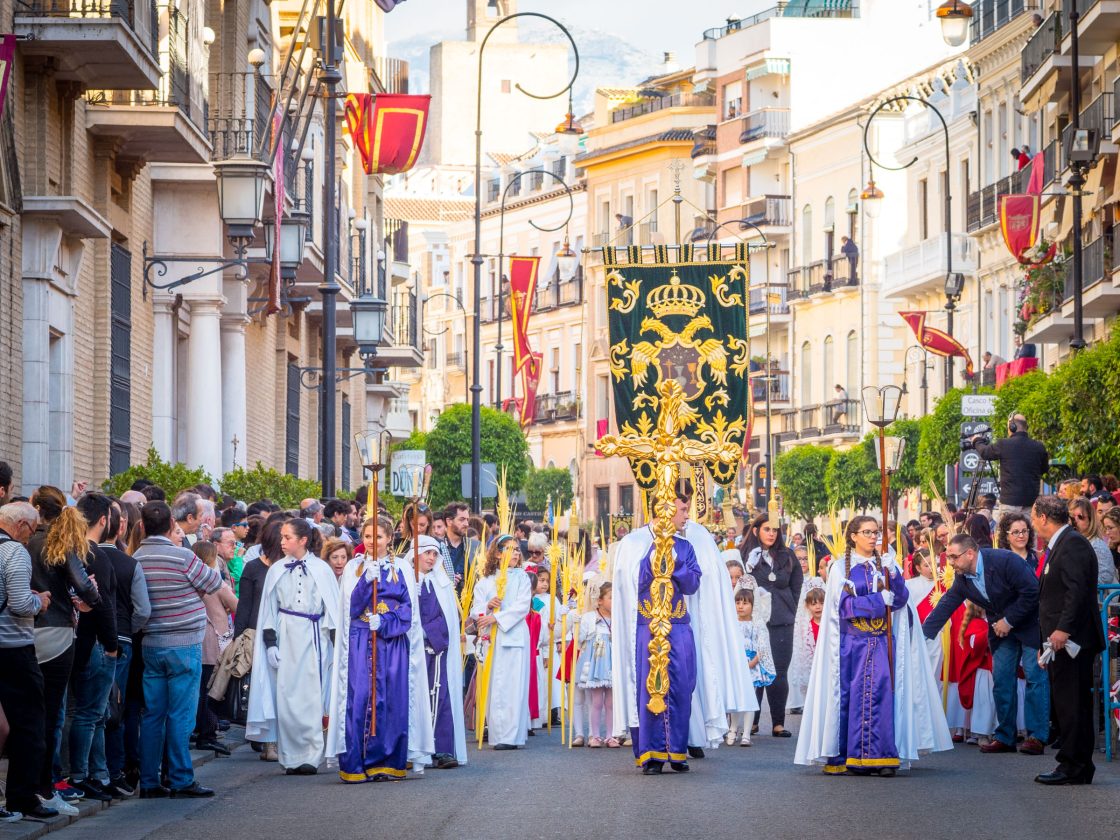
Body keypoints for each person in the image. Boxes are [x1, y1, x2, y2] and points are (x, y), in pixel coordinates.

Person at [796, 516, 952, 775]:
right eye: (867, 532)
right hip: (851, 644)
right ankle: (849, 755)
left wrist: (894, 576)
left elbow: (901, 601)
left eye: (876, 532)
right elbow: (843, 607)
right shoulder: (840, 569)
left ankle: (882, 757)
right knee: (850, 697)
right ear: (853, 536)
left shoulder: (886, 564)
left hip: (881, 641)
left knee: (882, 694)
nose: (873, 537)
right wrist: (878, 601)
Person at [921, 534, 1047, 755]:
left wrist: (1009, 621)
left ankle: (1037, 736)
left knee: (1034, 677)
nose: (949, 562)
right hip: (1001, 630)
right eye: (948, 557)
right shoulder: (963, 577)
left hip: (1028, 624)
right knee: (1001, 680)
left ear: (970, 553)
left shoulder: (1005, 561)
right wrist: (921, 637)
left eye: (953, 557)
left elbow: (1032, 592)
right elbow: (947, 604)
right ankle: (1005, 736)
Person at [132, 501, 222, 798]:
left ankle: (149, 780)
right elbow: (213, 581)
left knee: (153, 714)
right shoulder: (182, 555)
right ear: (172, 522)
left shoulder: (138, 557)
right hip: (184, 642)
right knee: (181, 714)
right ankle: (181, 778)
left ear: (142, 525)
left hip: (152, 643)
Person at [611, 486, 702, 775]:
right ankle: (650, 754)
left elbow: (692, 583)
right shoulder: (634, 543)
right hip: (645, 625)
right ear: (665, 509)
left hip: (677, 626)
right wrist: (653, 560)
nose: (686, 515)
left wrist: (674, 563)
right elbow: (629, 584)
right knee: (648, 687)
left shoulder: (685, 546)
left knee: (681, 686)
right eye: (682, 509)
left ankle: (677, 750)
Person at [27, 486, 100, 809]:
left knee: (30, 712)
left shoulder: (24, 541)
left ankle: (32, 785)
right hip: (57, 630)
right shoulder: (60, 543)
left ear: (35, 508)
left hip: (25, 629)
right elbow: (84, 584)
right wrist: (92, 601)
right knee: (51, 712)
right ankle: (45, 786)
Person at [327, 517, 416, 782]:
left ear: (389, 538)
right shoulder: (354, 567)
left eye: (378, 536)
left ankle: (387, 761)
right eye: (367, 536)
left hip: (391, 641)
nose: (372, 541)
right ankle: (357, 761)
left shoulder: (400, 568)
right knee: (360, 697)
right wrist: (366, 581)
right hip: (360, 639)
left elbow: (408, 608)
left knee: (390, 699)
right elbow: (350, 609)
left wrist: (387, 621)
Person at [248, 518, 339, 774]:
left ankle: (311, 754)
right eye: (282, 537)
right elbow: (269, 610)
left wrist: (336, 647)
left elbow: (331, 609)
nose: (282, 541)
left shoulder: (321, 569)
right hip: (286, 634)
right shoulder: (277, 570)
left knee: (311, 696)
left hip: (313, 636)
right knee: (286, 696)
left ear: (303, 540)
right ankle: (290, 755)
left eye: (288, 537)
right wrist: (270, 643)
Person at [1031, 495, 1106, 785]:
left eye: (1035, 517)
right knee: (1067, 703)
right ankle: (1076, 764)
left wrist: (1063, 628)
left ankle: (1074, 766)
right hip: (1059, 640)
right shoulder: (1061, 544)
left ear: (1045, 518)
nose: (1034, 523)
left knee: (1072, 703)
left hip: (1072, 641)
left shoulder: (1072, 544)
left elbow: (1077, 592)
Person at [0, 501, 57, 820]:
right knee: (29, 724)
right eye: (31, 531)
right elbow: (21, 604)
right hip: (14, 648)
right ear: (21, 524)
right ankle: (22, 797)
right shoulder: (14, 553)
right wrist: (41, 600)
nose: (30, 539)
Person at [683, 511, 756, 753]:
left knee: (695, 674)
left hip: (693, 619)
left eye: (685, 509)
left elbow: (708, 579)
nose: (683, 514)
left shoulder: (697, 534)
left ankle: (695, 735)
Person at [67, 493, 120, 803]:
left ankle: (97, 774)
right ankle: (82, 775)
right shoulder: (95, 555)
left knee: (94, 714)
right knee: (89, 713)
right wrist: (112, 645)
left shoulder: (74, 552)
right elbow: (103, 605)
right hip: (96, 644)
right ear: (104, 520)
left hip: (83, 642)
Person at [98, 500, 150, 797]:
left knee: (90, 708)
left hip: (90, 640)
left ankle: (94, 770)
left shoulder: (82, 557)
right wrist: (131, 628)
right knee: (117, 707)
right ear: (118, 526)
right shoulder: (129, 563)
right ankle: (115, 770)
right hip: (123, 639)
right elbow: (143, 610)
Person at [741, 513, 803, 738]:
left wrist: (789, 607)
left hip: (781, 620)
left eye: (775, 530)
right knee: (754, 668)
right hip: (754, 620)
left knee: (779, 671)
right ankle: (753, 721)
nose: (771, 534)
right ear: (757, 530)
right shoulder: (746, 555)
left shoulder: (787, 555)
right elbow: (740, 583)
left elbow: (797, 584)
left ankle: (778, 722)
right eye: (767, 529)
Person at [471, 534, 532, 750]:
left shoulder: (522, 578)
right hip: (491, 639)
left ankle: (512, 735)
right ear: (497, 553)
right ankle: (496, 732)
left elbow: (522, 606)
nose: (515, 553)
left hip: (513, 636)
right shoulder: (485, 581)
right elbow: (475, 608)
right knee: (494, 686)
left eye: (517, 549)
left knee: (513, 686)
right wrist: (487, 608)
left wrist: (497, 617)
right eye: (509, 548)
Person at [415, 534, 467, 769]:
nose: (431, 557)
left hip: (435, 651)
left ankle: (442, 749)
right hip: (411, 653)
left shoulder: (441, 584)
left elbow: (448, 618)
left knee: (440, 696)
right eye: (427, 552)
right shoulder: (405, 580)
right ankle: (414, 749)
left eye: (435, 554)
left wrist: (427, 633)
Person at [973, 415, 1049, 520]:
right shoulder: (1039, 446)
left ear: (1012, 427)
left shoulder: (1004, 444)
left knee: (1007, 534)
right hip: (1031, 504)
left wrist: (977, 441)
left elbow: (985, 453)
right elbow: (1045, 469)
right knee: (1029, 535)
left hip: (1010, 503)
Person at [729, 586, 774, 747]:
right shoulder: (731, 624)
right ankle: (733, 729)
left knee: (750, 699)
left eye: (745, 603)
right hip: (736, 665)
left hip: (751, 665)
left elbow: (762, 646)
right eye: (738, 602)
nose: (741, 606)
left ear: (753, 606)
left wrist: (753, 662)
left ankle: (746, 733)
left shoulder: (757, 624)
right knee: (735, 698)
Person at [575, 582, 615, 748]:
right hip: (597, 663)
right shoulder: (589, 617)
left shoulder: (619, 618)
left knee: (611, 703)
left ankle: (611, 735)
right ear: (599, 601)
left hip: (612, 662)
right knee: (596, 701)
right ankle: (595, 735)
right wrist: (582, 623)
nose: (614, 601)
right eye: (611, 597)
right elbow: (580, 639)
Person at [787, 582, 825, 715]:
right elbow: (803, 649)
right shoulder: (806, 627)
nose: (818, 607)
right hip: (812, 664)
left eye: (821, 603)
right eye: (814, 604)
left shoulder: (830, 624)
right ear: (807, 606)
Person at [1067, 496, 1116, 585]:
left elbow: (1105, 579)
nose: (1075, 521)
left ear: (1090, 519)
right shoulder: (1071, 542)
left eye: (1081, 517)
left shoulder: (1097, 545)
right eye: (1072, 517)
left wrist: (1076, 582)